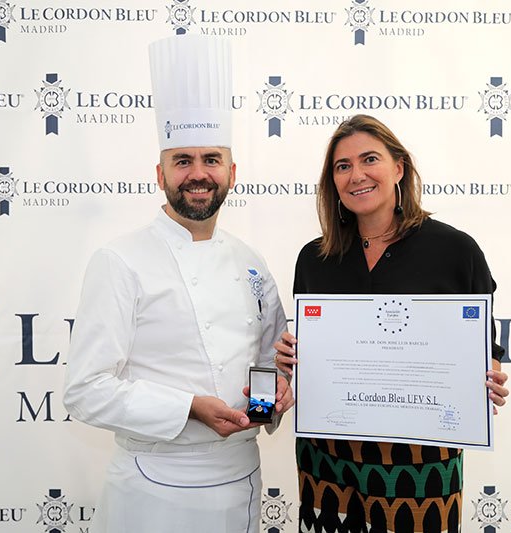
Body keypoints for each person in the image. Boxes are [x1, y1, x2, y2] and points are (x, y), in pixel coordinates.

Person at [63, 34, 293, 533]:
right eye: (182, 160)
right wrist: (188, 407)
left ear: (232, 171)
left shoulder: (249, 261)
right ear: (160, 173)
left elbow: (268, 359)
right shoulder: (119, 260)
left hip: (241, 476)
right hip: (153, 485)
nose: (198, 173)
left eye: (211, 159)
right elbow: (85, 390)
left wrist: (270, 399)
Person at [274, 114, 509, 533]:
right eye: (342, 166)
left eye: (369, 160)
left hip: (419, 463)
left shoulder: (455, 250)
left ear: (398, 168)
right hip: (329, 458)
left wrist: (487, 372)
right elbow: (315, 353)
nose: (356, 175)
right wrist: (291, 362)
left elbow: (481, 345)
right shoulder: (315, 258)